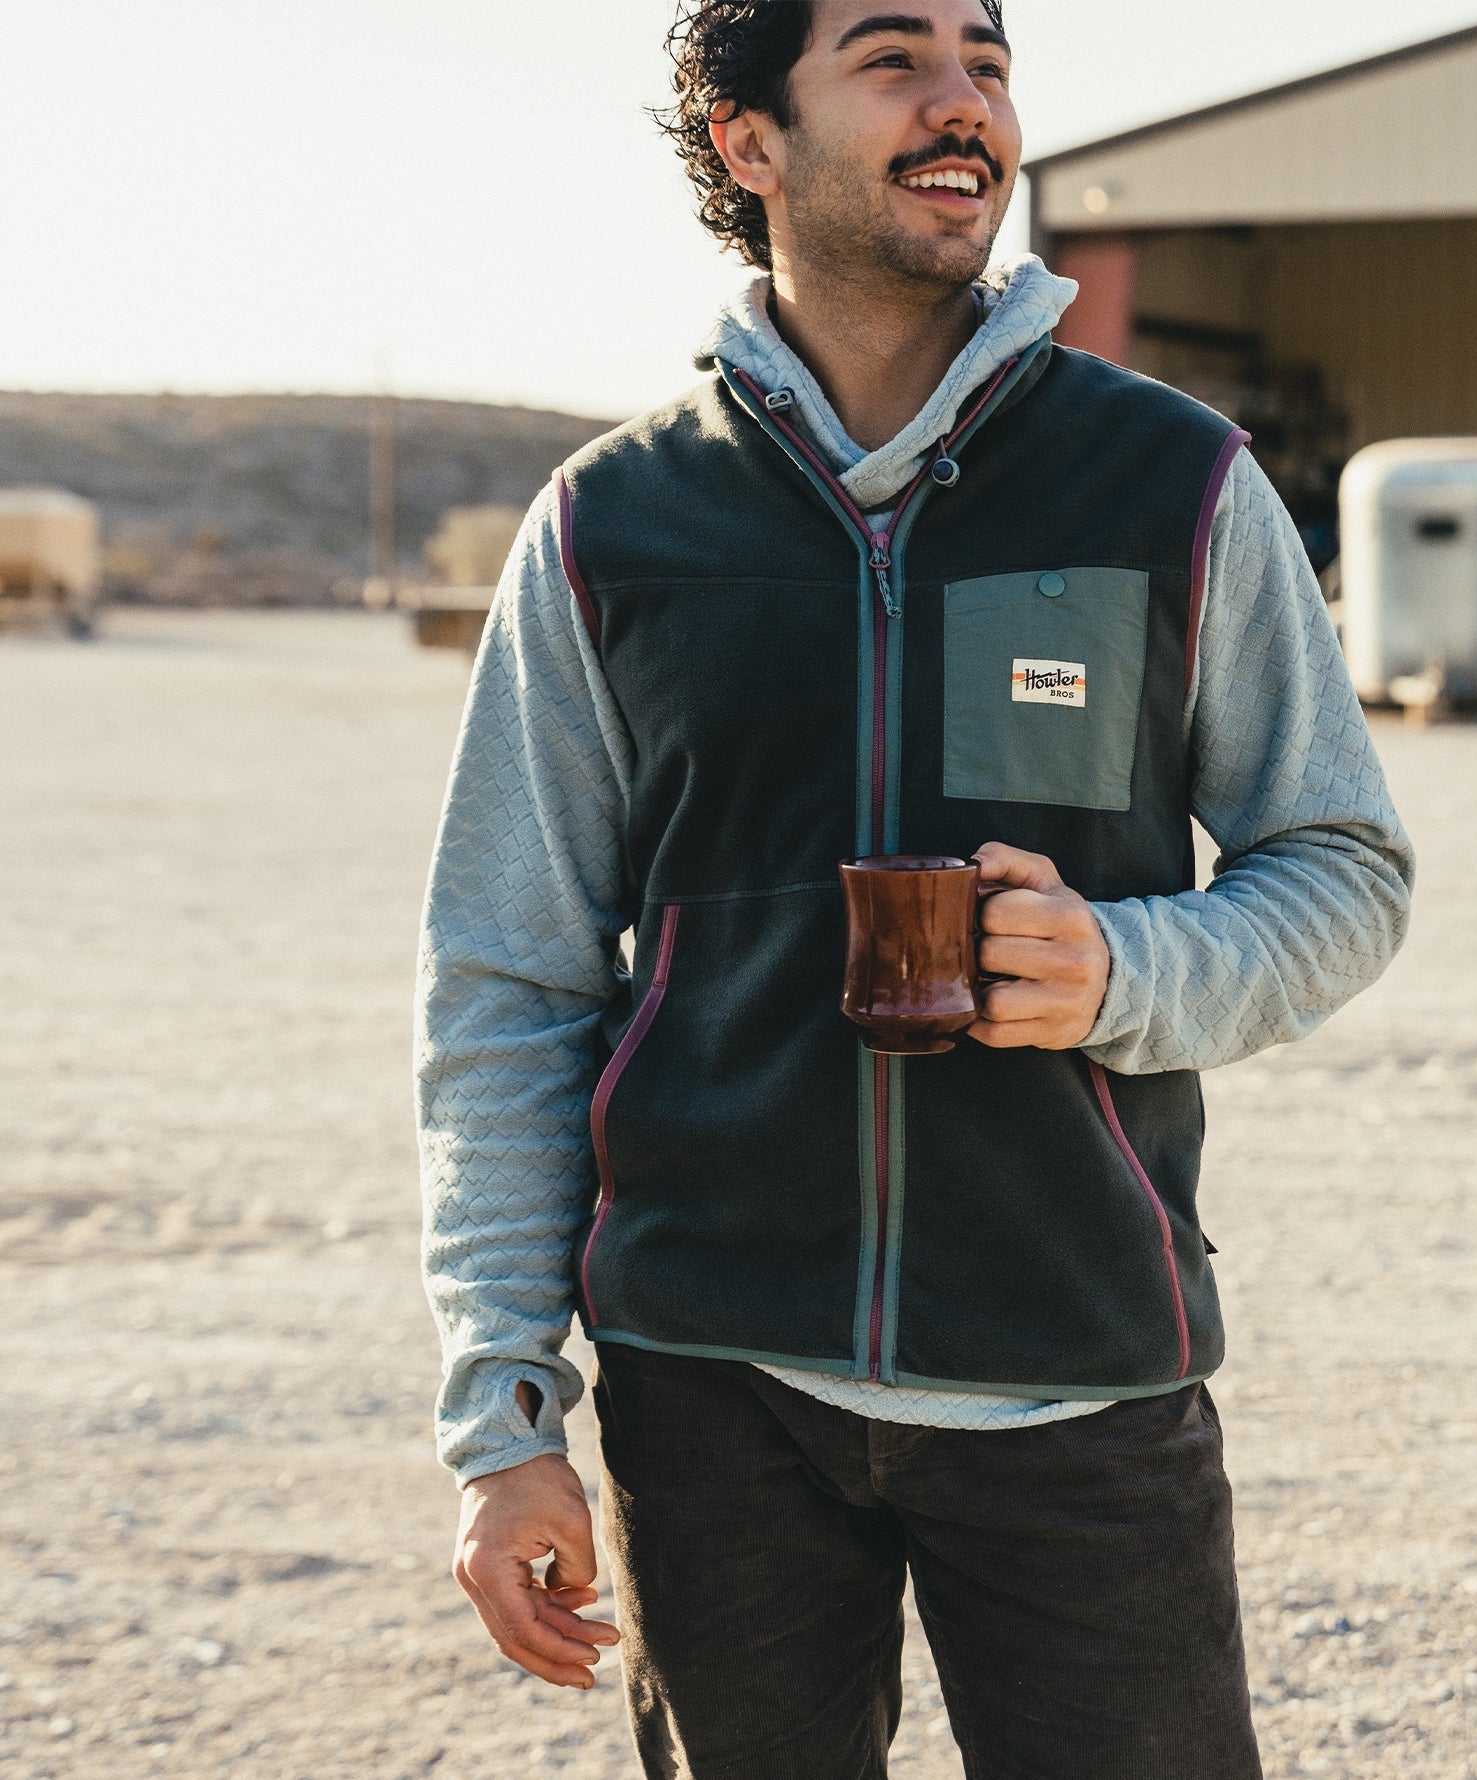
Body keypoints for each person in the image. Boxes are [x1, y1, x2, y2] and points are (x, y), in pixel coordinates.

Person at [416, 2, 1414, 1774]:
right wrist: (505, 1412)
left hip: (1080, 1370)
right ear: (747, 140)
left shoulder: (1172, 483)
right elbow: (512, 975)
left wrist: (1128, 969)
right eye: (893, 58)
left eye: (988, 60)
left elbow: (1342, 865)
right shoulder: (607, 527)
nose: (967, 105)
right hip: (712, 1393)